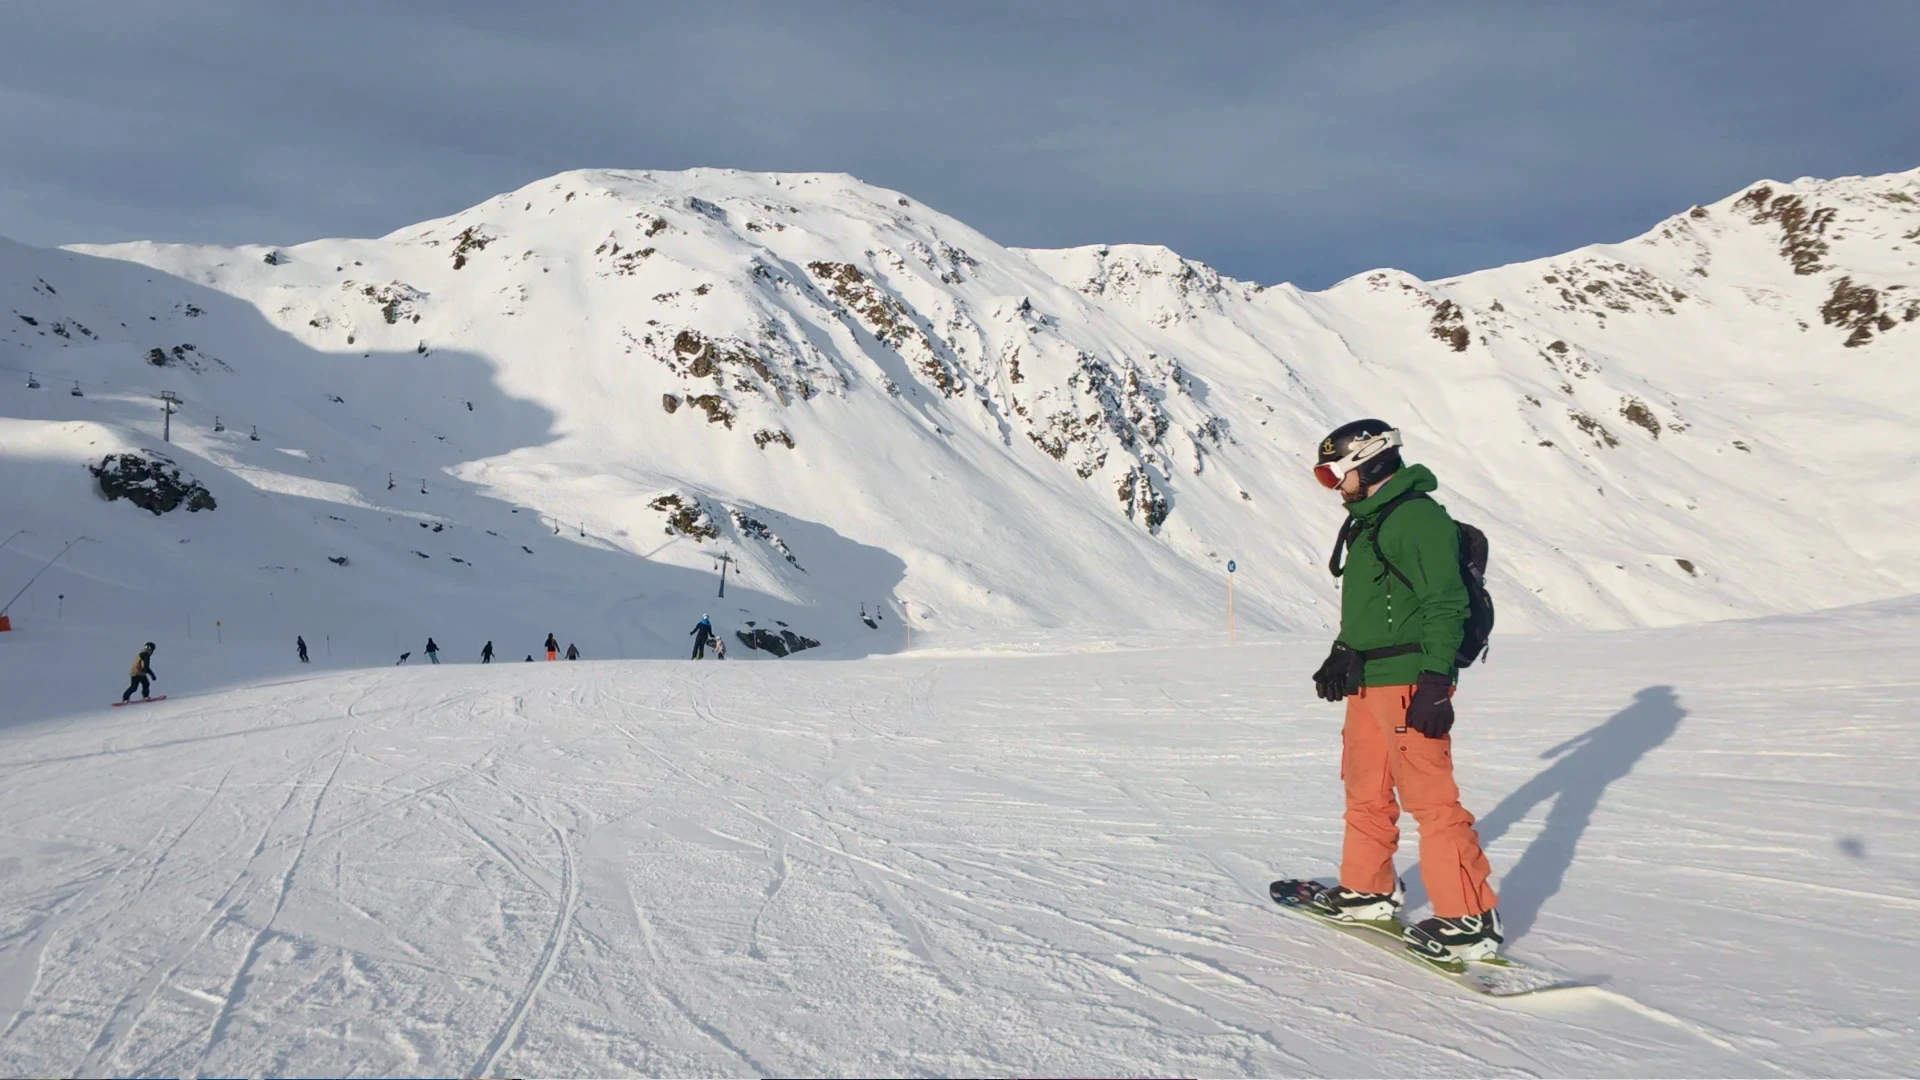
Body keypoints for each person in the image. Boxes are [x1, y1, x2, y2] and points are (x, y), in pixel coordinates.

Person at [1277, 419, 1503, 966]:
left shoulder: (1417, 518)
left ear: (1372, 460)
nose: (1335, 485)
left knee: (1431, 801)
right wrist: (1343, 651)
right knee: (1365, 791)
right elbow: (1376, 607)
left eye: (1337, 473)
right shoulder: (1370, 520)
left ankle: (1470, 916)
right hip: (1369, 681)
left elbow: (1445, 603)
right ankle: (1367, 889)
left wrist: (1435, 682)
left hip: (1410, 680)